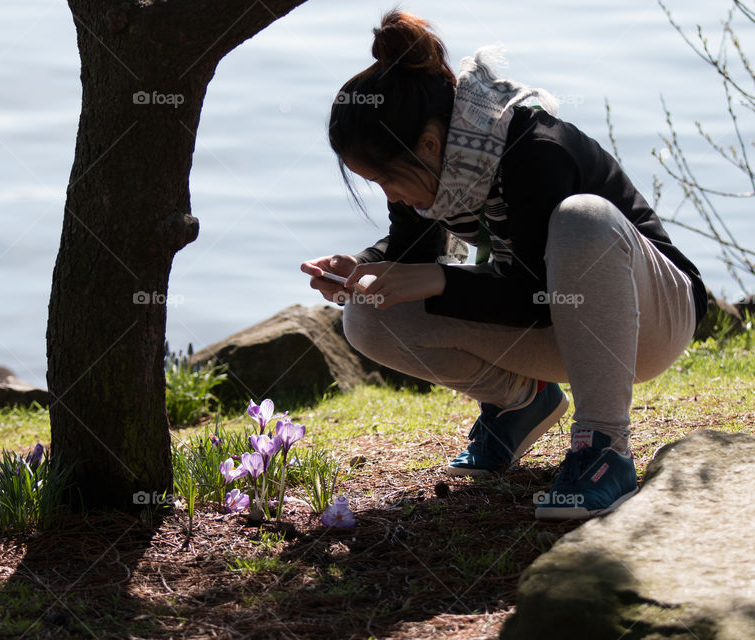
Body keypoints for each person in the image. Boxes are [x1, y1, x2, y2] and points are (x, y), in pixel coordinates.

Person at [300, 10, 706, 520]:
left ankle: (605, 446)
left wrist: (435, 279)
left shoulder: (533, 150)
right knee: (369, 313)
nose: (390, 194)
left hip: (652, 320)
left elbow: (535, 296)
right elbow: (416, 253)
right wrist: (361, 268)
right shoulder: (437, 165)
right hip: (560, 326)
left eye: (386, 179)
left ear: (427, 144)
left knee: (583, 218)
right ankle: (521, 402)